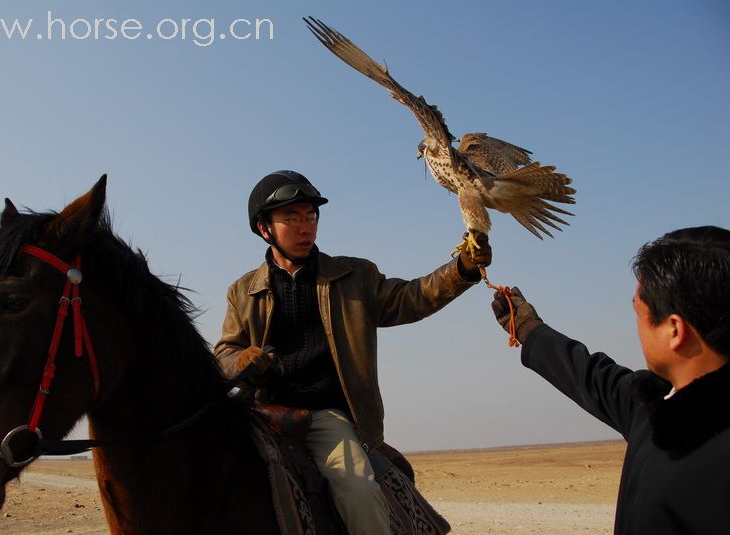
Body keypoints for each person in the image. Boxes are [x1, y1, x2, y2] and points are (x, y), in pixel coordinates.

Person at [215, 170, 491, 535]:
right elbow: (224, 352)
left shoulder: (354, 276)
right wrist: (243, 360)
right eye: (291, 218)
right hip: (260, 414)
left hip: (323, 418)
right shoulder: (242, 291)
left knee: (359, 491)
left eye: (310, 217)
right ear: (264, 228)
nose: (305, 228)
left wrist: (461, 270)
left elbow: (410, 299)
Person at [490, 226, 730, 534]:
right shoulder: (658, 410)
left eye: (638, 312)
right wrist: (528, 328)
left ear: (674, 330)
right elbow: (591, 377)